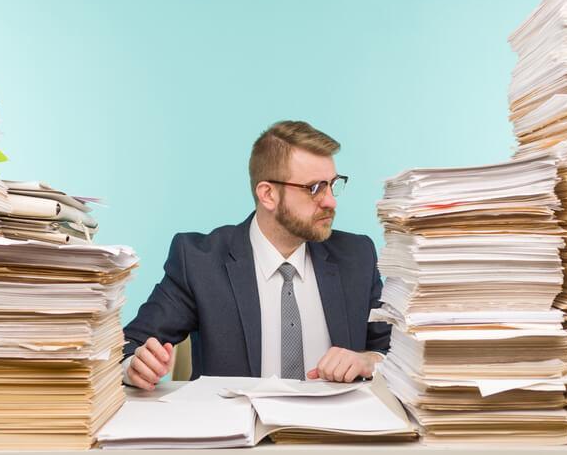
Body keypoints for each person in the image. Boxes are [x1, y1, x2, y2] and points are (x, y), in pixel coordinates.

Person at [122, 120, 390, 390]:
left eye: (333, 184)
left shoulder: (357, 257)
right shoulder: (199, 261)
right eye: (315, 188)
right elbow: (129, 346)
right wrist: (136, 366)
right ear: (268, 195)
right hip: (235, 429)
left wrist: (368, 361)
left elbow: (398, 354)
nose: (331, 201)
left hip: (334, 429)